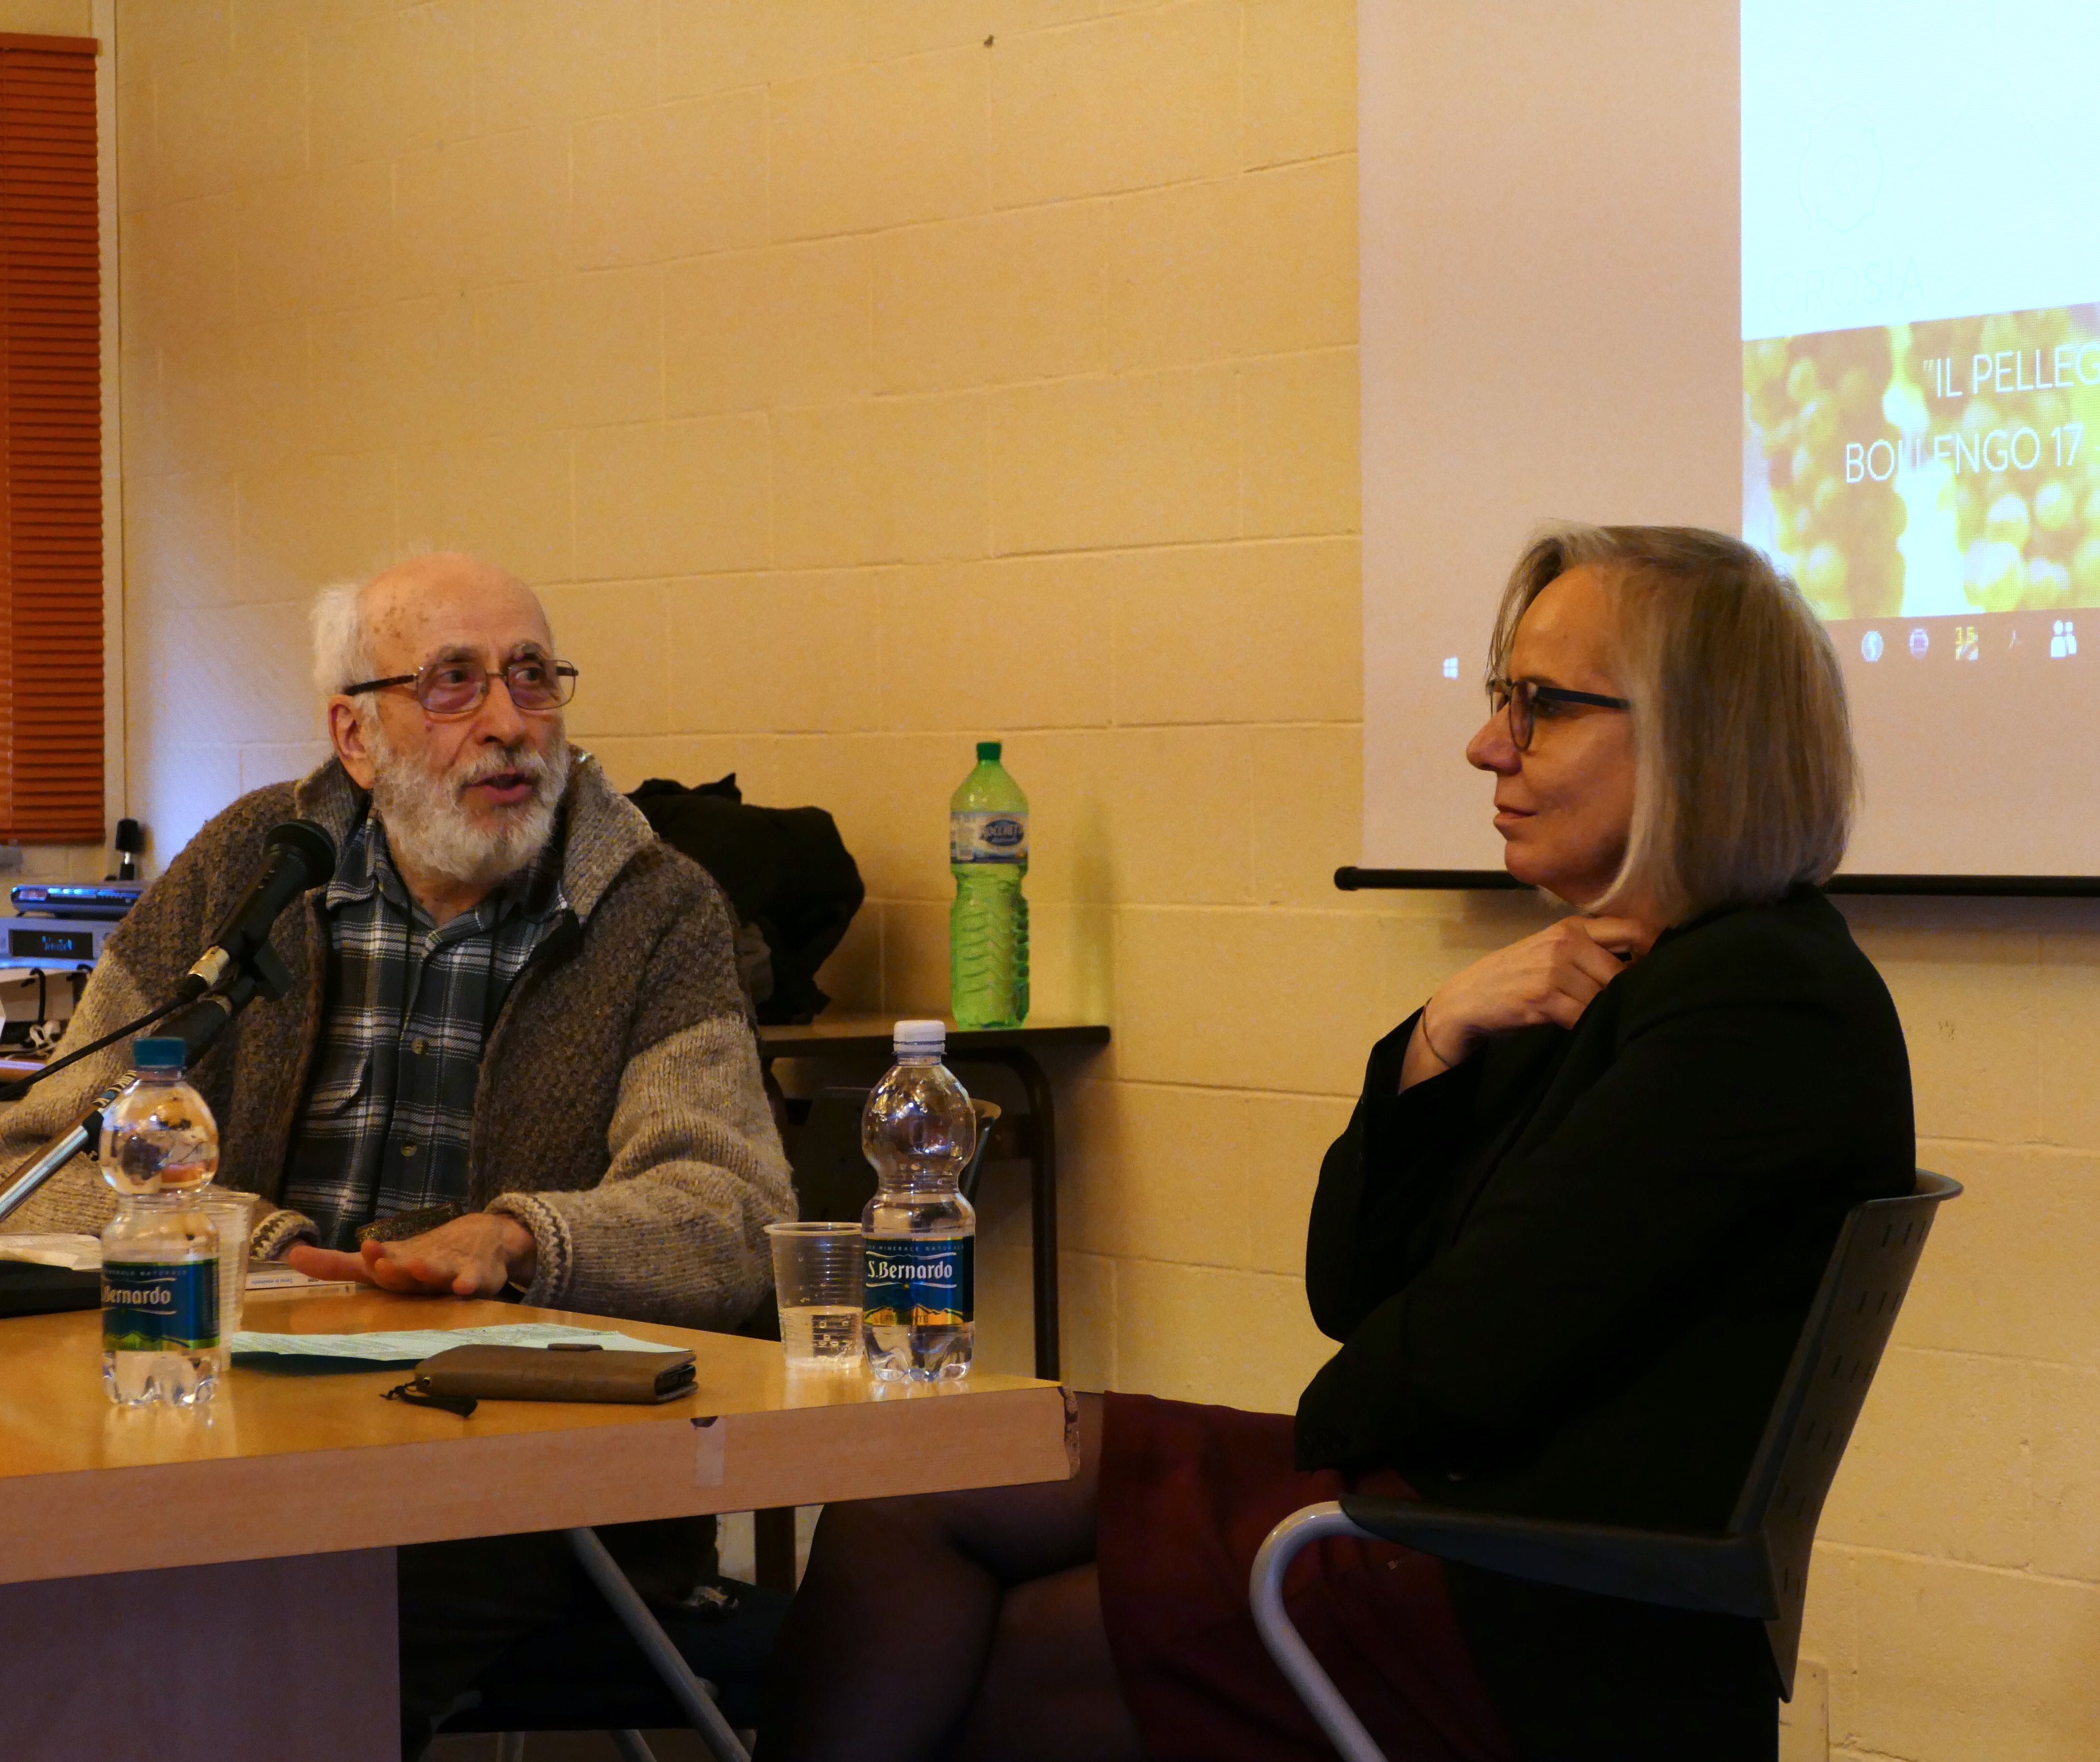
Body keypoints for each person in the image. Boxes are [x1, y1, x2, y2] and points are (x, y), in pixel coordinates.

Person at [756, 525, 1915, 1762]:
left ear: (1698, 739)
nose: (1488, 746)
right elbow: (1354, 1291)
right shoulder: (1608, 970)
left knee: (1006, 1660)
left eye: (1540, 707)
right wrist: (1434, 1041)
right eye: (1500, 699)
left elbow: (1442, 1373)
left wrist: (1366, 1393)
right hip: (1440, 1513)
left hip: (1541, 1607)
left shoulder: (1757, 1007)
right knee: (911, 1478)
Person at [0, 550, 796, 1753]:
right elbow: (33, 1163)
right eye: (455, 683)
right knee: (2, 1586)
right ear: (355, 735)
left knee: (269, 1621)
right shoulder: (251, 871)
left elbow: (731, 1210)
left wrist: (520, 1239)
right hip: (230, 1434)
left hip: (521, 1476)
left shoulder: (653, 908)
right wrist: (253, 1244)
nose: (510, 723)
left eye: (533, 677)